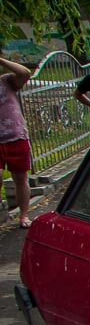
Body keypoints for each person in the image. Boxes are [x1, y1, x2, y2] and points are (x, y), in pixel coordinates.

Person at [0, 50, 32, 228]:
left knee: (20, 178)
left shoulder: (6, 81)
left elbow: (25, 73)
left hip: (15, 136)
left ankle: (23, 216)